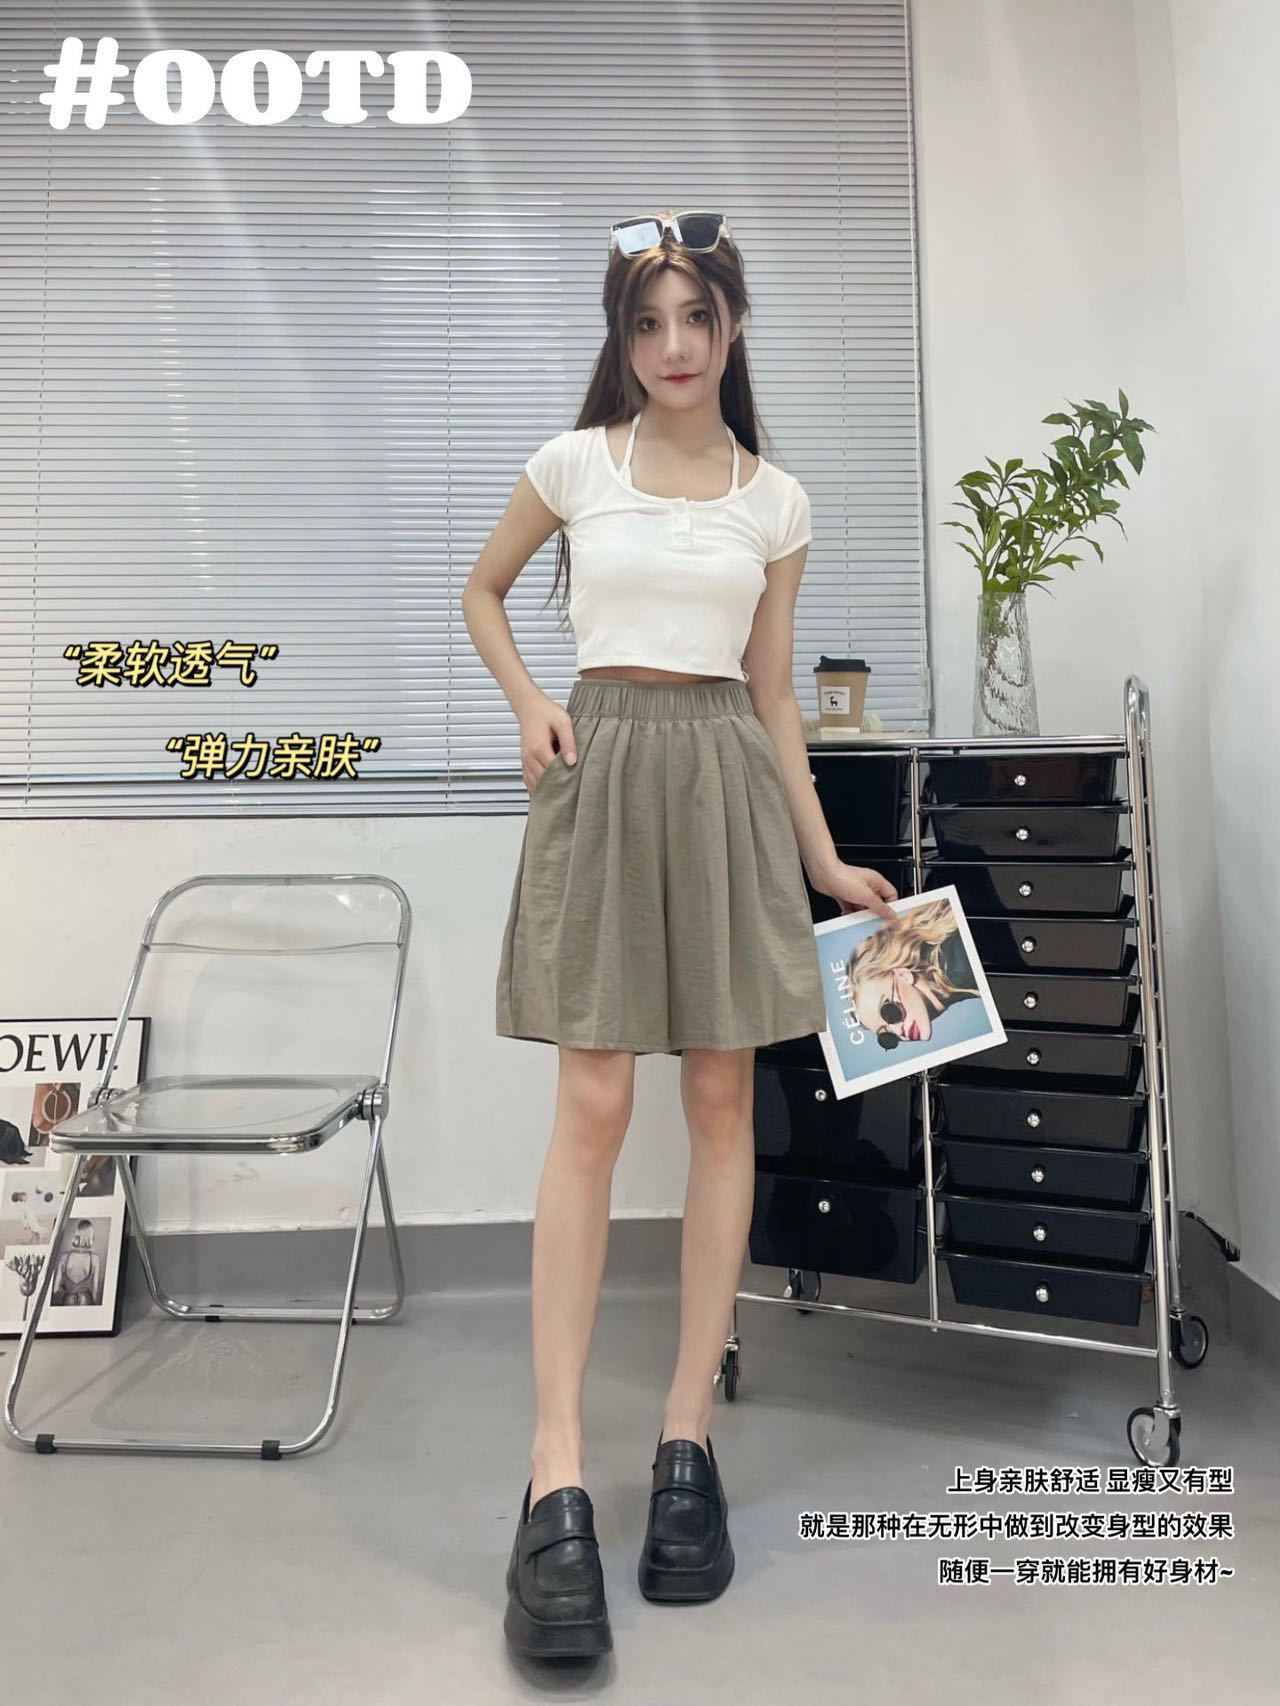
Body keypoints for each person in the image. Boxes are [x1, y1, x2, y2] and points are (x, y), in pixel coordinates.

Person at [461, 208, 897, 1660]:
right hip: (602, 776)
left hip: (720, 786)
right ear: (623, 336)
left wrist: (824, 860)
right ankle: (556, 1469)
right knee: (593, 1104)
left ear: (731, 327)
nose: (672, 347)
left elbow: (771, 695)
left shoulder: (777, 500)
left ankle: (688, 1441)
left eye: (695, 319)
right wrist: (533, 703)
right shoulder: (574, 464)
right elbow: (482, 589)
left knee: (722, 1105)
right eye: (646, 323)